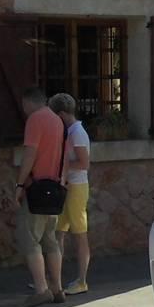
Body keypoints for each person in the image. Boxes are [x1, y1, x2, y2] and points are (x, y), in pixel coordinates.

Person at [14, 86, 67, 307]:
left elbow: (30, 153)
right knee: (50, 239)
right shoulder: (57, 121)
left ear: (28, 102)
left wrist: (19, 183)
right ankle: (57, 288)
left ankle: (41, 289)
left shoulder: (35, 120)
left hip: (36, 187)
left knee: (30, 239)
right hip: (54, 186)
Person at [50, 93, 93, 295]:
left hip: (77, 187)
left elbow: (84, 164)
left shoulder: (77, 132)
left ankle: (82, 280)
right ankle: (54, 280)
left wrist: (63, 168)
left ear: (61, 114)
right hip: (68, 186)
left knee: (79, 234)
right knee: (59, 232)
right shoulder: (70, 132)